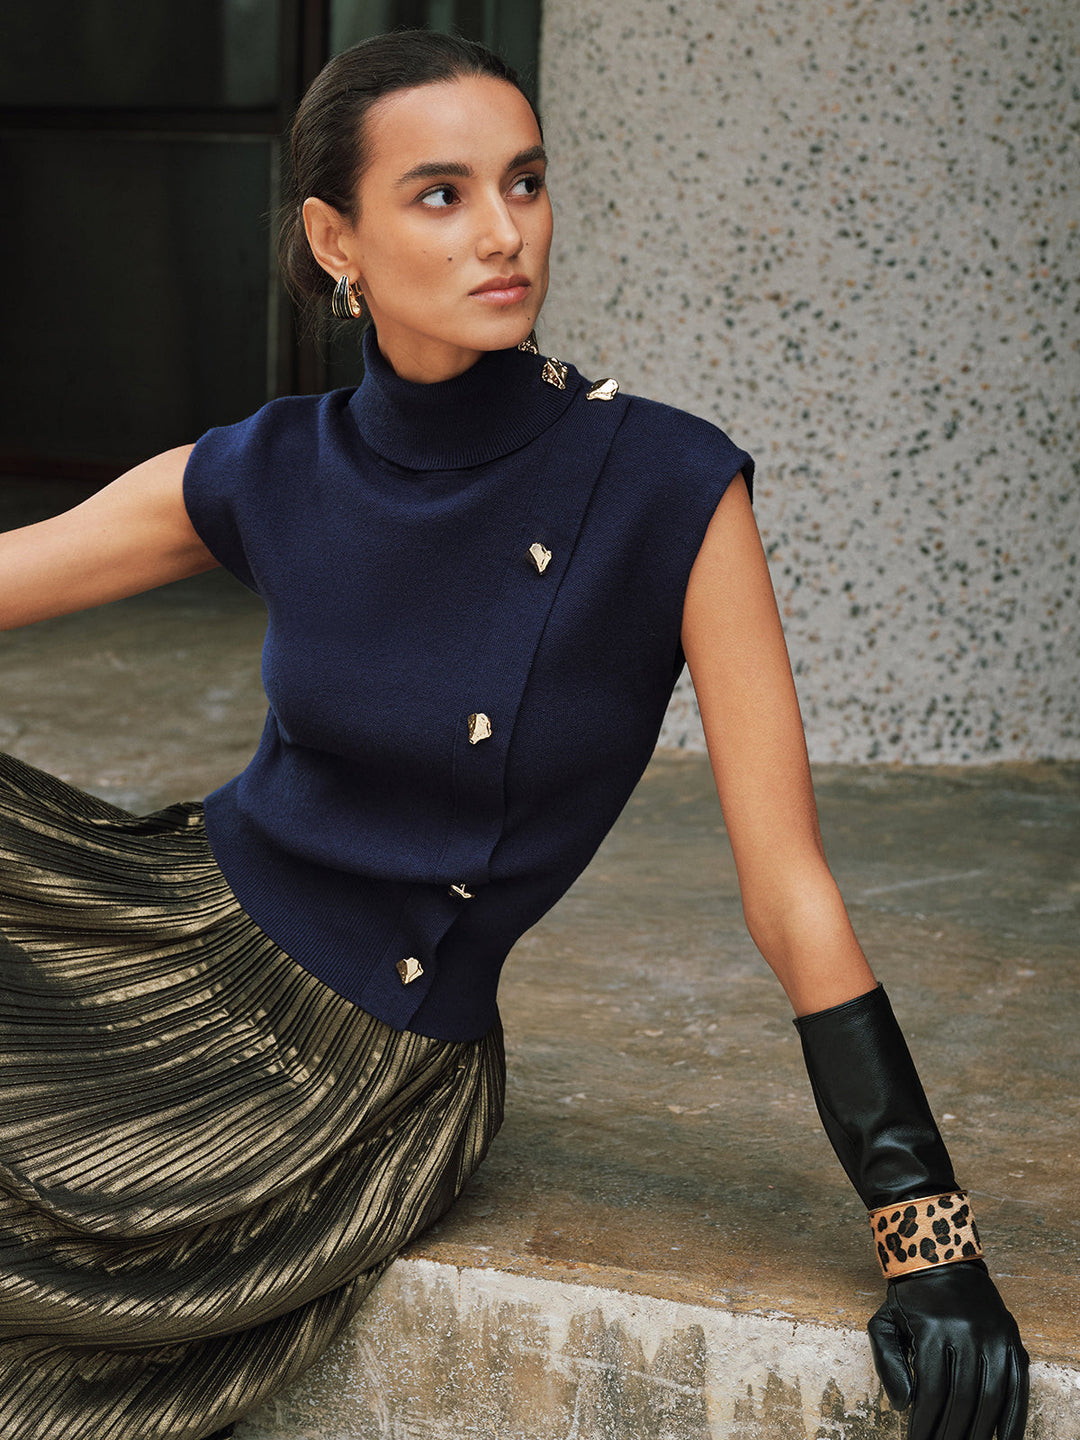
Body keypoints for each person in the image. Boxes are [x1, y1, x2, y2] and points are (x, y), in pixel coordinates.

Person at [0, 28, 1028, 1440]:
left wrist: (929, 1237)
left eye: (525, 182)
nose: (503, 232)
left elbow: (789, 887)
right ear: (336, 240)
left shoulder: (666, 486)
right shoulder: (272, 466)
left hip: (360, 1069)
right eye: (441, 193)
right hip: (164, 931)